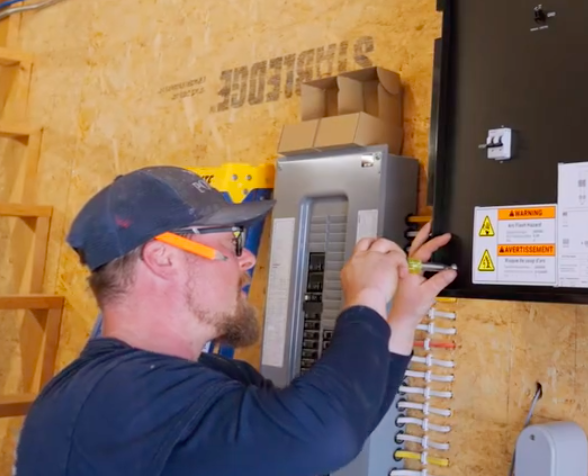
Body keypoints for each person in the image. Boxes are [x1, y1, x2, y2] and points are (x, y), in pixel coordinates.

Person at [14, 165, 456, 475]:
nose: (245, 260)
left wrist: (402, 315)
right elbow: (325, 433)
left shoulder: (193, 379)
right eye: (230, 244)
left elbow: (342, 419)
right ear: (164, 258)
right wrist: (365, 297)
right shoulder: (110, 400)